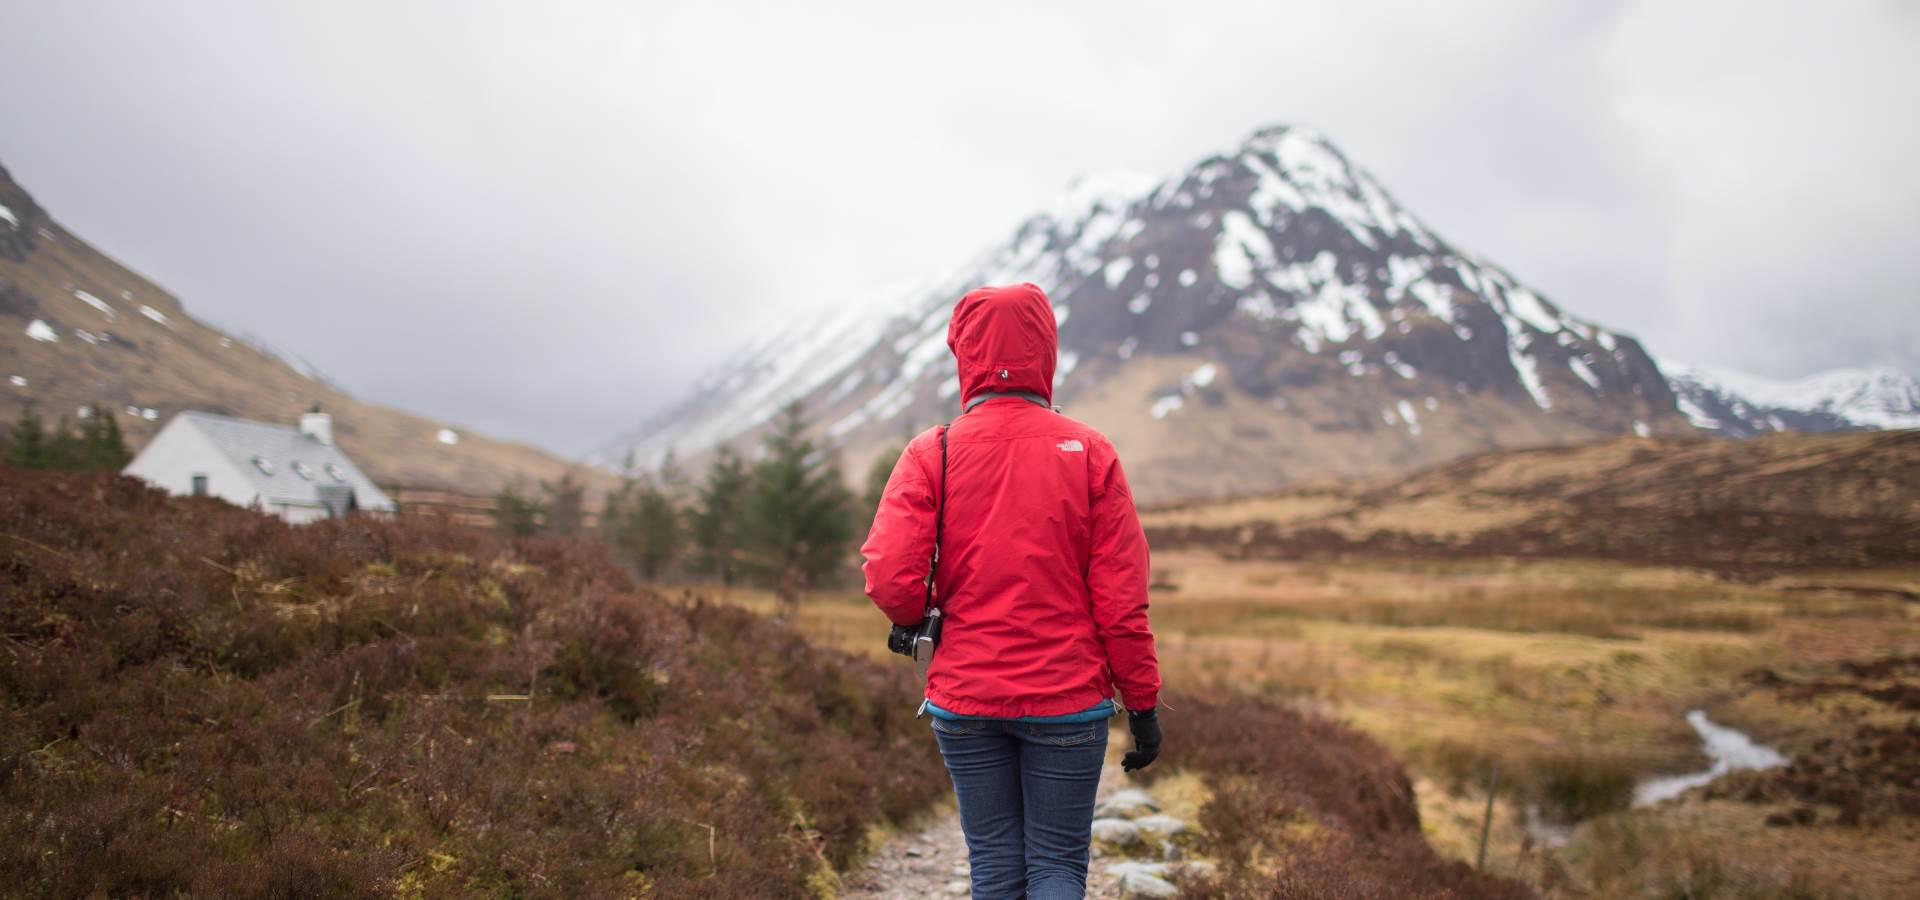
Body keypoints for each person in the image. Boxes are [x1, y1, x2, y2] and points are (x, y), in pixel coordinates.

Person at [861, 282, 1162, 900]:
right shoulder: (1091, 453)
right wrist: (1143, 704)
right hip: (1068, 699)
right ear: (1046, 350)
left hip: (966, 699)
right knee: (1056, 866)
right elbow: (1121, 602)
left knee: (995, 868)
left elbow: (891, 574)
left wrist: (912, 613)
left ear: (963, 352)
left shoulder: (932, 452)